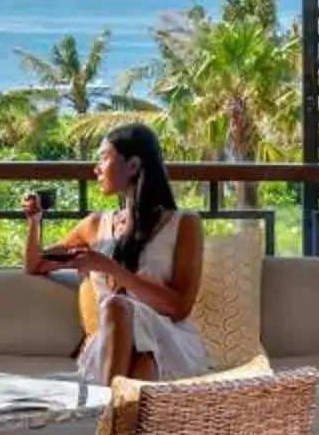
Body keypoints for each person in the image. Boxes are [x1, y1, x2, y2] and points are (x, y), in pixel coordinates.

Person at [22, 121, 209, 384]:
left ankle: (107, 410)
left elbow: (179, 308)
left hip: (165, 340)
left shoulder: (184, 224)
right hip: (111, 345)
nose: (96, 168)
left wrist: (110, 268)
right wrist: (34, 222)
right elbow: (35, 265)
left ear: (132, 166)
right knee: (124, 326)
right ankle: (115, 414)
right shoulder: (95, 225)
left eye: (104, 157)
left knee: (119, 308)